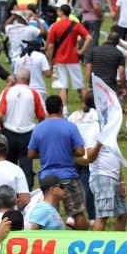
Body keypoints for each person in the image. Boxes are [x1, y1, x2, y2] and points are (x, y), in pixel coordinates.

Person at [28, 95, 89, 230]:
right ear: (61, 108)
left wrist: (45, 152)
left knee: (49, 212)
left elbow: (31, 154)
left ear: (47, 110)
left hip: (47, 178)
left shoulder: (39, 128)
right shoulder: (69, 126)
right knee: (77, 212)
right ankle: (84, 241)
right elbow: (80, 151)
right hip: (68, 175)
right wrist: (67, 151)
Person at [0, 67, 46, 189]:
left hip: (9, 132)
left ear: (16, 78)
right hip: (28, 133)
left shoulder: (7, 91)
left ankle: (8, 190)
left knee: (8, 165)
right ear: (28, 79)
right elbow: (42, 116)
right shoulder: (34, 93)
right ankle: (26, 191)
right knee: (26, 166)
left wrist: (2, 125)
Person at [46, 4, 93, 105]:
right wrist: (81, 51)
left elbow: (50, 46)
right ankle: (89, 108)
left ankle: (64, 109)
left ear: (61, 12)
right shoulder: (76, 24)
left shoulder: (55, 26)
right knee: (80, 85)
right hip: (73, 58)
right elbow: (89, 38)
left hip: (59, 59)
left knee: (62, 85)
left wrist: (50, 61)